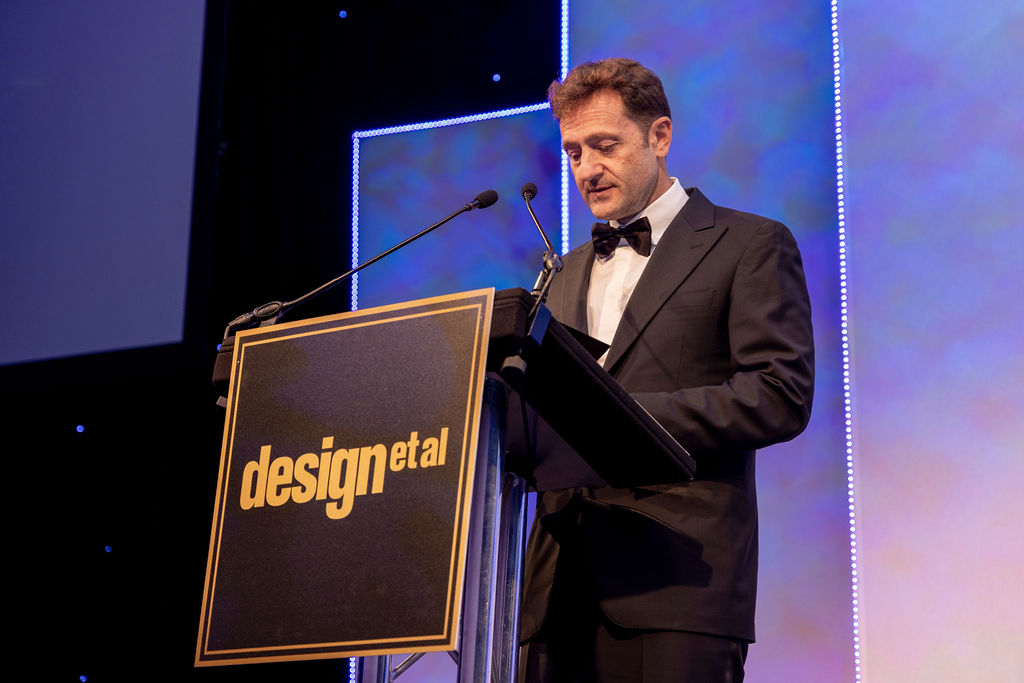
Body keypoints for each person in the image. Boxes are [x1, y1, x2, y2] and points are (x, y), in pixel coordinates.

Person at [518, 58, 815, 682]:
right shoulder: (561, 273)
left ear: (659, 136)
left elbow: (778, 393)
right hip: (556, 592)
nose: (586, 169)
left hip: (678, 583)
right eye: (573, 152)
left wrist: (621, 418)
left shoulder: (749, 243)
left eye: (605, 146)